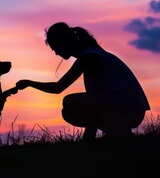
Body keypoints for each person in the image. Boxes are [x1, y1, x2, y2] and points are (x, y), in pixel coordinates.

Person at [16, 22, 150, 141]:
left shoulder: (89, 57)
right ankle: (118, 133)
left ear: (63, 43)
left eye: (55, 47)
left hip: (129, 108)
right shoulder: (93, 54)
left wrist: (29, 83)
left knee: (70, 103)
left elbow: (58, 88)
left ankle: (115, 131)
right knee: (71, 107)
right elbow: (95, 103)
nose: (56, 53)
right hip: (129, 106)